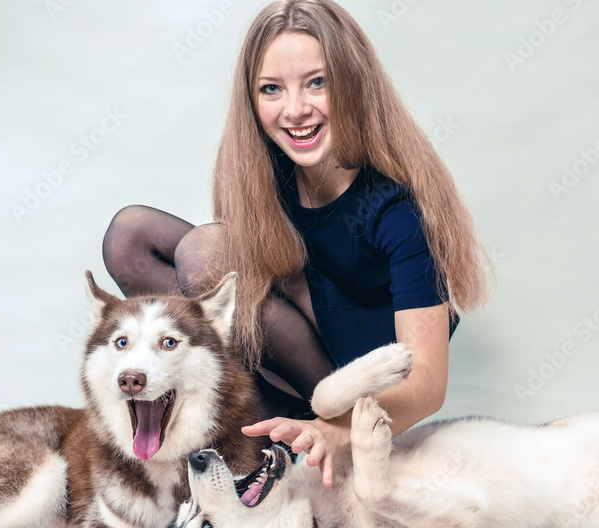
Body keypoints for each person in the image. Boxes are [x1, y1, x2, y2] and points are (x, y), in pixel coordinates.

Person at [101, 0, 491, 487]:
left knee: (206, 254)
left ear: (351, 81)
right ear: (252, 98)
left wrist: (338, 427)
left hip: (357, 381)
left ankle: (287, 426)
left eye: (317, 82)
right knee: (131, 238)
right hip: (291, 350)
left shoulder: (395, 209)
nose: (295, 109)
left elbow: (428, 384)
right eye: (271, 89)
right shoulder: (273, 175)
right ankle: (256, 414)